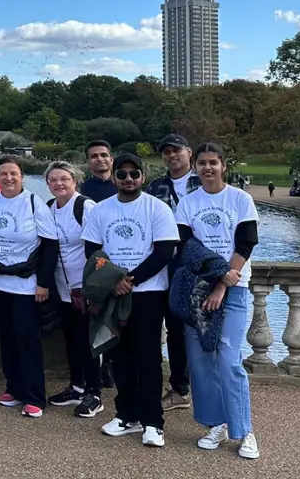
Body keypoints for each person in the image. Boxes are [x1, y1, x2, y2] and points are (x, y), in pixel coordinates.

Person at [81, 153, 178, 448]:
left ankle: (153, 422)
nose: (127, 179)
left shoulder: (157, 208)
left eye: (133, 174)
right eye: (121, 174)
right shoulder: (100, 211)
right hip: (113, 293)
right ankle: (127, 414)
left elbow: (164, 252)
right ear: (114, 178)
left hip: (148, 294)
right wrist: (114, 281)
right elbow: (92, 251)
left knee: (147, 357)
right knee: (118, 354)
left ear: (143, 176)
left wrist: (129, 280)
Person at [174, 143, 260, 459]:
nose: (207, 168)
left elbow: (247, 241)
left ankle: (243, 431)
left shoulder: (240, 199)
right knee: (200, 363)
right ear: (195, 166)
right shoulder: (187, 203)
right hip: (198, 290)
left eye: (213, 162)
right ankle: (216, 423)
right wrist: (215, 278)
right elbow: (187, 246)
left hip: (233, 289)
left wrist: (224, 282)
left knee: (228, 360)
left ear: (223, 165)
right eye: (201, 163)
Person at [0, 157, 57, 418]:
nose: (8, 178)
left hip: (27, 284)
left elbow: (50, 246)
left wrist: (43, 282)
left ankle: (34, 396)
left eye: (14, 174)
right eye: (3, 174)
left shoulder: (34, 203)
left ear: (22, 176)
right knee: (6, 336)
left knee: (27, 339)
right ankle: (14, 388)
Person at [43, 161, 104, 418]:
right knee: (71, 338)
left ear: (74, 181)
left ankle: (95, 392)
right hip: (62, 286)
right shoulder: (48, 208)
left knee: (89, 341)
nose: (59, 183)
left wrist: (98, 285)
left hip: (86, 285)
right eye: (53, 179)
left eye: (64, 179)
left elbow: (100, 246)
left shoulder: (85, 206)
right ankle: (77, 386)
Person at [147, 133, 201, 412]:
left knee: (203, 328)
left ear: (188, 152)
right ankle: (180, 388)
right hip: (167, 266)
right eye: (166, 152)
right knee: (175, 328)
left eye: (176, 150)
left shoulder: (203, 182)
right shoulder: (155, 186)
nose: (171, 155)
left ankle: (201, 387)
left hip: (198, 267)